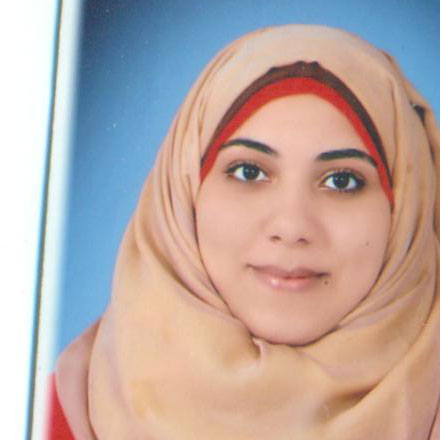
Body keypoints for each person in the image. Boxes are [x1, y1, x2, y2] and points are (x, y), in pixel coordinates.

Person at [47, 24, 440, 439]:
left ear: (407, 208)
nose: (291, 226)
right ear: (185, 192)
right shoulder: (40, 418)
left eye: (341, 181)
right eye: (249, 172)